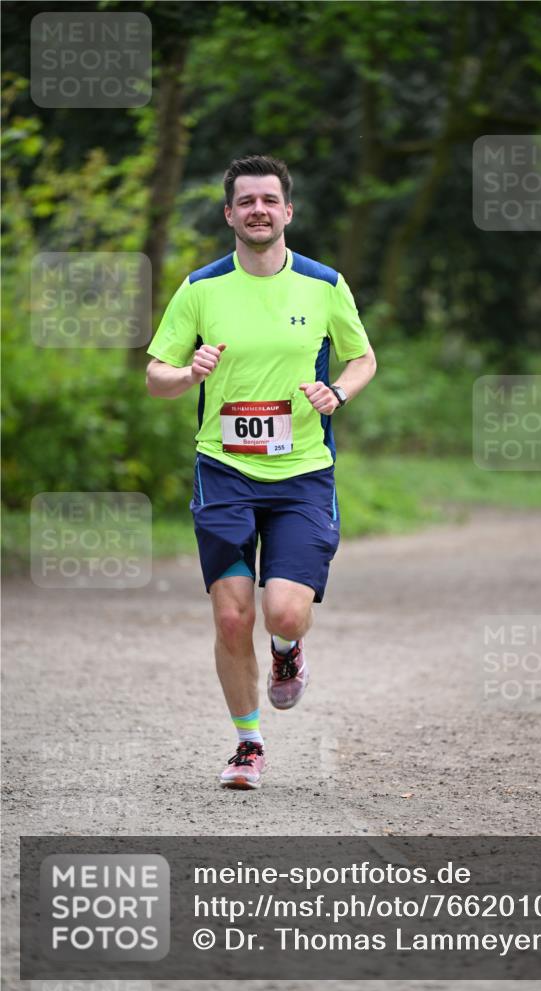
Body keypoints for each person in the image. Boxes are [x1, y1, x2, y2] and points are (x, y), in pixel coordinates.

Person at [146, 155, 376, 789]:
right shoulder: (200, 289)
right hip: (223, 469)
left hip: (303, 473)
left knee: (283, 613)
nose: (258, 210)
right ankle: (247, 744)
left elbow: (362, 358)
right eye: (246, 201)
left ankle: (287, 652)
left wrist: (340, 392)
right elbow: (155, 376)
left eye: (269, 200)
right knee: (230, 617)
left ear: (287, 212)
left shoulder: (325, 285)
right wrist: (188, 373)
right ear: (229, 214)